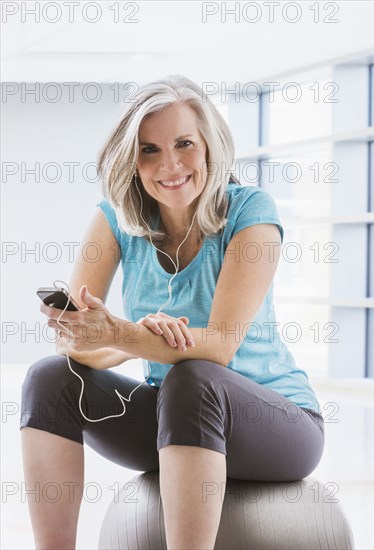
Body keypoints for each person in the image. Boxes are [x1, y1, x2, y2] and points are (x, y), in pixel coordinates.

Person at [20, 74, 325, 550]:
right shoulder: (114, 218)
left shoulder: (251, 213)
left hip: (279, 424)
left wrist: (124, 335)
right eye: (149, 150)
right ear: (132, 160)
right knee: (49, 378)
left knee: (194, 376)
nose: (171, 164)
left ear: (209, 147)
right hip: (178, 420)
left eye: (184, 144)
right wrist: (106, 339)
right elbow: (80, 344)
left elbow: (220, 346)